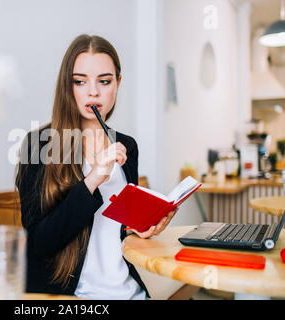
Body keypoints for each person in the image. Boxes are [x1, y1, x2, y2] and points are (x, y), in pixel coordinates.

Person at [15, 34, 177, 299]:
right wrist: (92, 180)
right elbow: (37, 244)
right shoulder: (39, 144)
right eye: (80, 81)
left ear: (118, 83)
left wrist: (143, 227)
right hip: (75, 296)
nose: (93, 91)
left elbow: (118, 229)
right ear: (67, 86)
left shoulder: (127, 145)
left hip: (129, 291)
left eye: (104, 81)